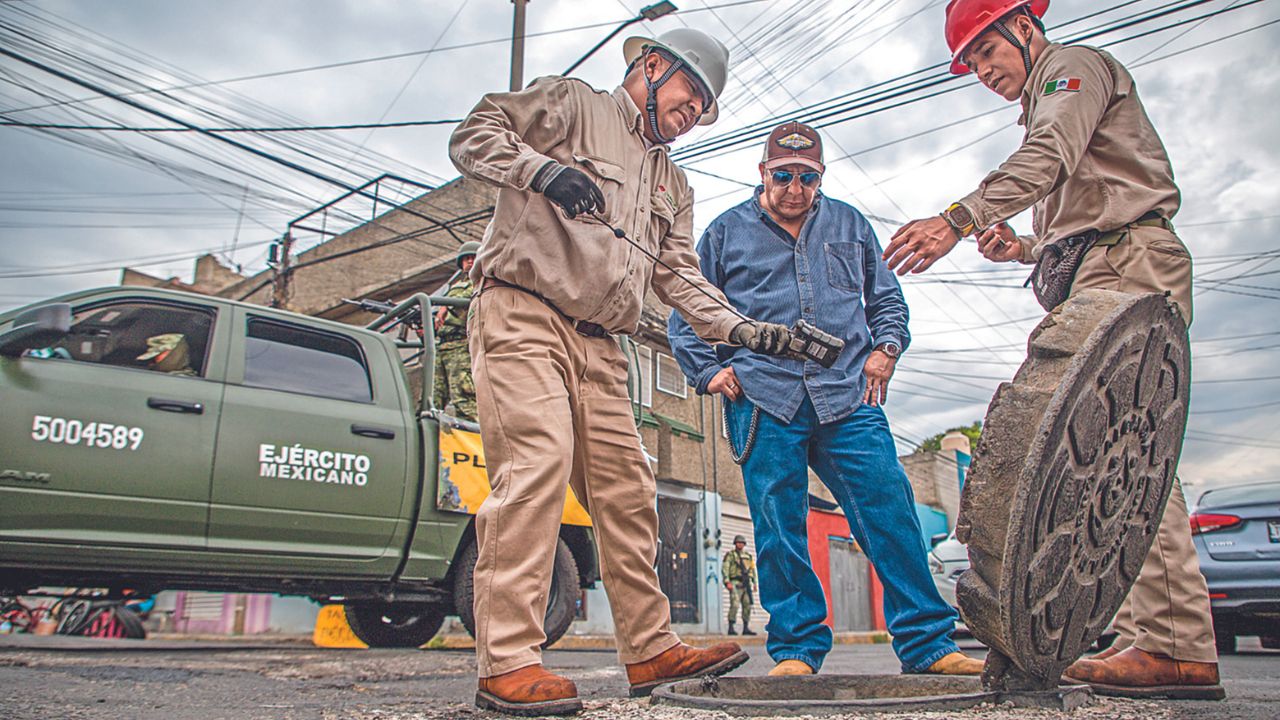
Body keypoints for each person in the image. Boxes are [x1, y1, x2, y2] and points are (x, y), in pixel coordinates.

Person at [449, 28, 800, 716]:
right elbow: (474, 134)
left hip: (604, 345)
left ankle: (649, 648)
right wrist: (541, 170)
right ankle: (508, 662)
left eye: (704, 103)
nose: (694, 109)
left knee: (630, 490)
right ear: (651, 64)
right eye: (689, 91)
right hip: (523, 313)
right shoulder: (574, 105)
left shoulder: (673, 181)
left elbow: (678, 276)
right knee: (537, 465)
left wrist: (742, 329)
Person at [881, 0, 1219, 700]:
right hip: (1103, 267)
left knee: (1124, 454)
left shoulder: (1070, 70)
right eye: (970, 63)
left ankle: (1171, 645)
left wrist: (959, 219)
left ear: (1023, 27)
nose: (982, 71)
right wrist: (1025, 249)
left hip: (1129, 263)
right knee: (1109, 458)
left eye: (985, 52)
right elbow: (1086, 210)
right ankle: (1158, 639)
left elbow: (1052, 160)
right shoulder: (1049, 91)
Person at [669, 121, 980, 678]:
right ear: (762, 172)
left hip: (848, 398)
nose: (795, 188)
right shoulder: (724, 233)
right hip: (764, 397)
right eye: (783, 175)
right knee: (779, 527)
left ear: (821, 177)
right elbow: (684, 310)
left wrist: (886, 349)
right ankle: (796, 652)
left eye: (807, 177)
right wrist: (709, 372)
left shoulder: (849, 224)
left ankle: (930, 644)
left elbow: (887, 299)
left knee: (891, 512)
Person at [432, 241, 479, 421]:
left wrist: (446, 306)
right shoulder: (454, 286)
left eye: (473, 258)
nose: (469, 261)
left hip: (461, 346)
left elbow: (472, 298)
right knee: (433, 398)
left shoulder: (482, 280)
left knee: (464, 400)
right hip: (443, 345)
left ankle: (473, 445)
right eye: (466, 258)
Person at [721, 535, 757, 636]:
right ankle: (731, 627)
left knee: (747, 605)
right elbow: (725, 568)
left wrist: (754, 583)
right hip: (735, 582)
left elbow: (753, 570)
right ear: (735, 543)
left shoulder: (748, 556)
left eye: (742, 542)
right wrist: (727, 581)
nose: (740, 544)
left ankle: (746, 627)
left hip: (746, 584)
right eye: (738, 542)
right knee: (735, 605)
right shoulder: (731, 555)